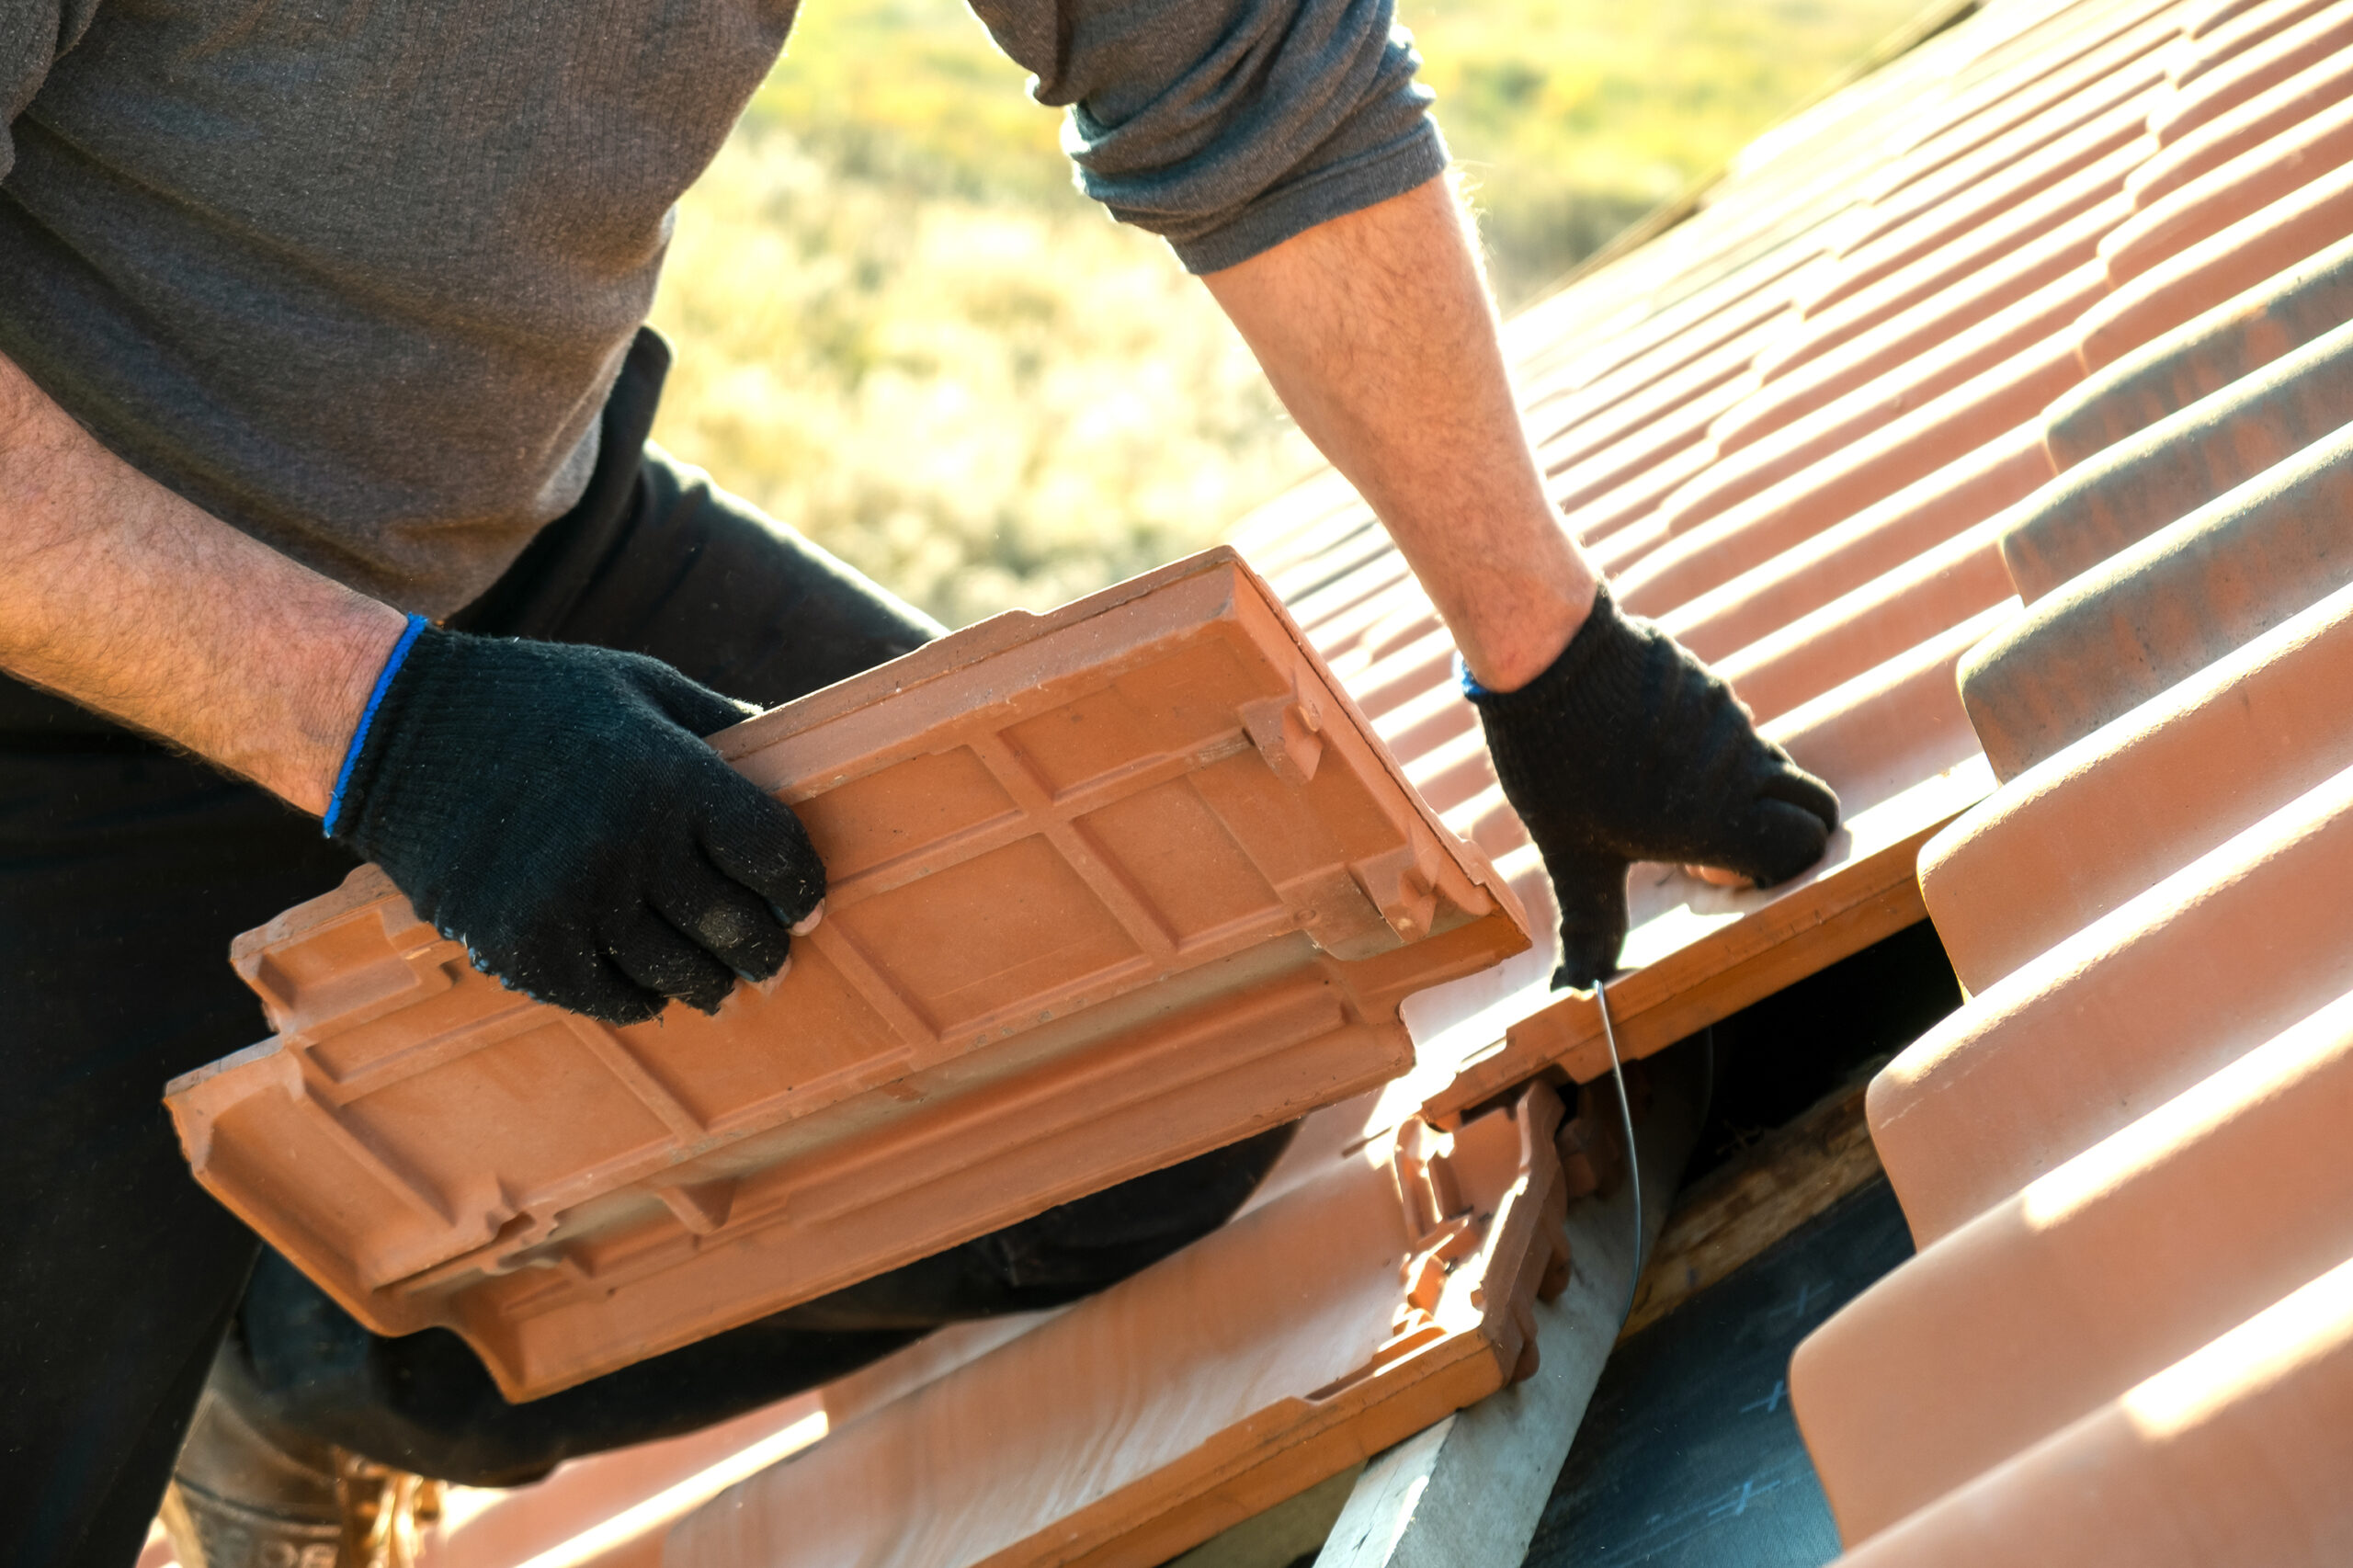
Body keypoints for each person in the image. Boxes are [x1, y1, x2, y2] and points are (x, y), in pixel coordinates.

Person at [0, 0, 1839, 1561]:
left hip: (502, 553)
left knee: (1142, 1071)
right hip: (42, 681)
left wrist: (1546, 647)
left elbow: (1241, 65)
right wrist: (383, 725)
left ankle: (311, 1357)